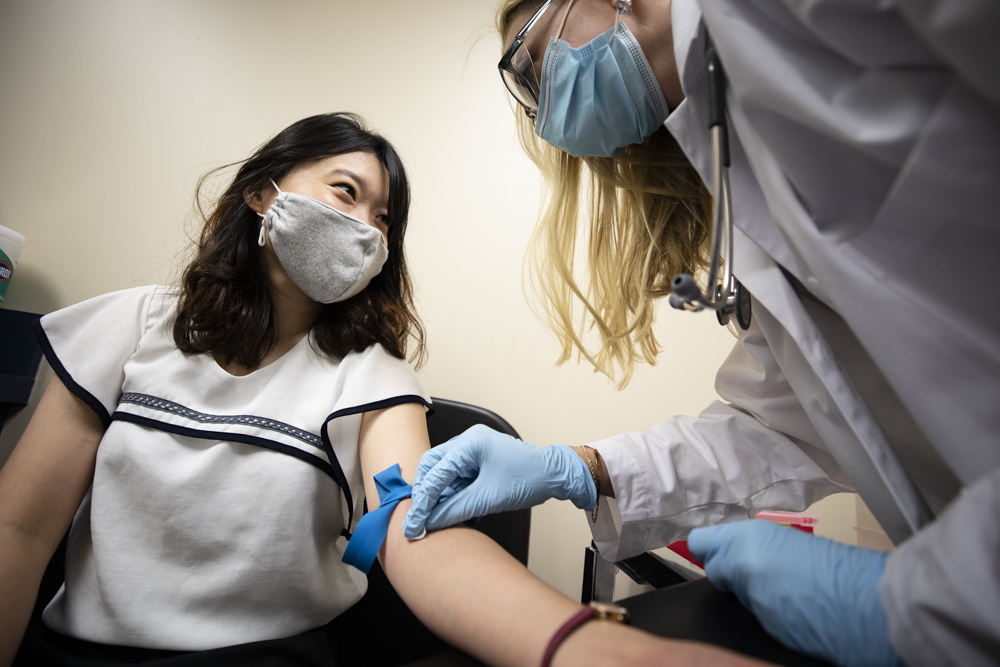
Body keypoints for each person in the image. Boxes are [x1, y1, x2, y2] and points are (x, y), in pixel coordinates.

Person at [0, 113, 766, 667]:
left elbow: (414, 532)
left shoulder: (371, 374)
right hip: (70, 651)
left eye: (383, 217)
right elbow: (21, 529)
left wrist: (583, 643)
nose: (367, 227)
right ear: (264, 194)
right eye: (345, 192)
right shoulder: (132, 325)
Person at [404, 2, 1000, 666]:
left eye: (532, 64)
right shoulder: (732, 157)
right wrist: (580, 468)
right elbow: (785, 422)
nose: (545, 110)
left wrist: (918, 601)